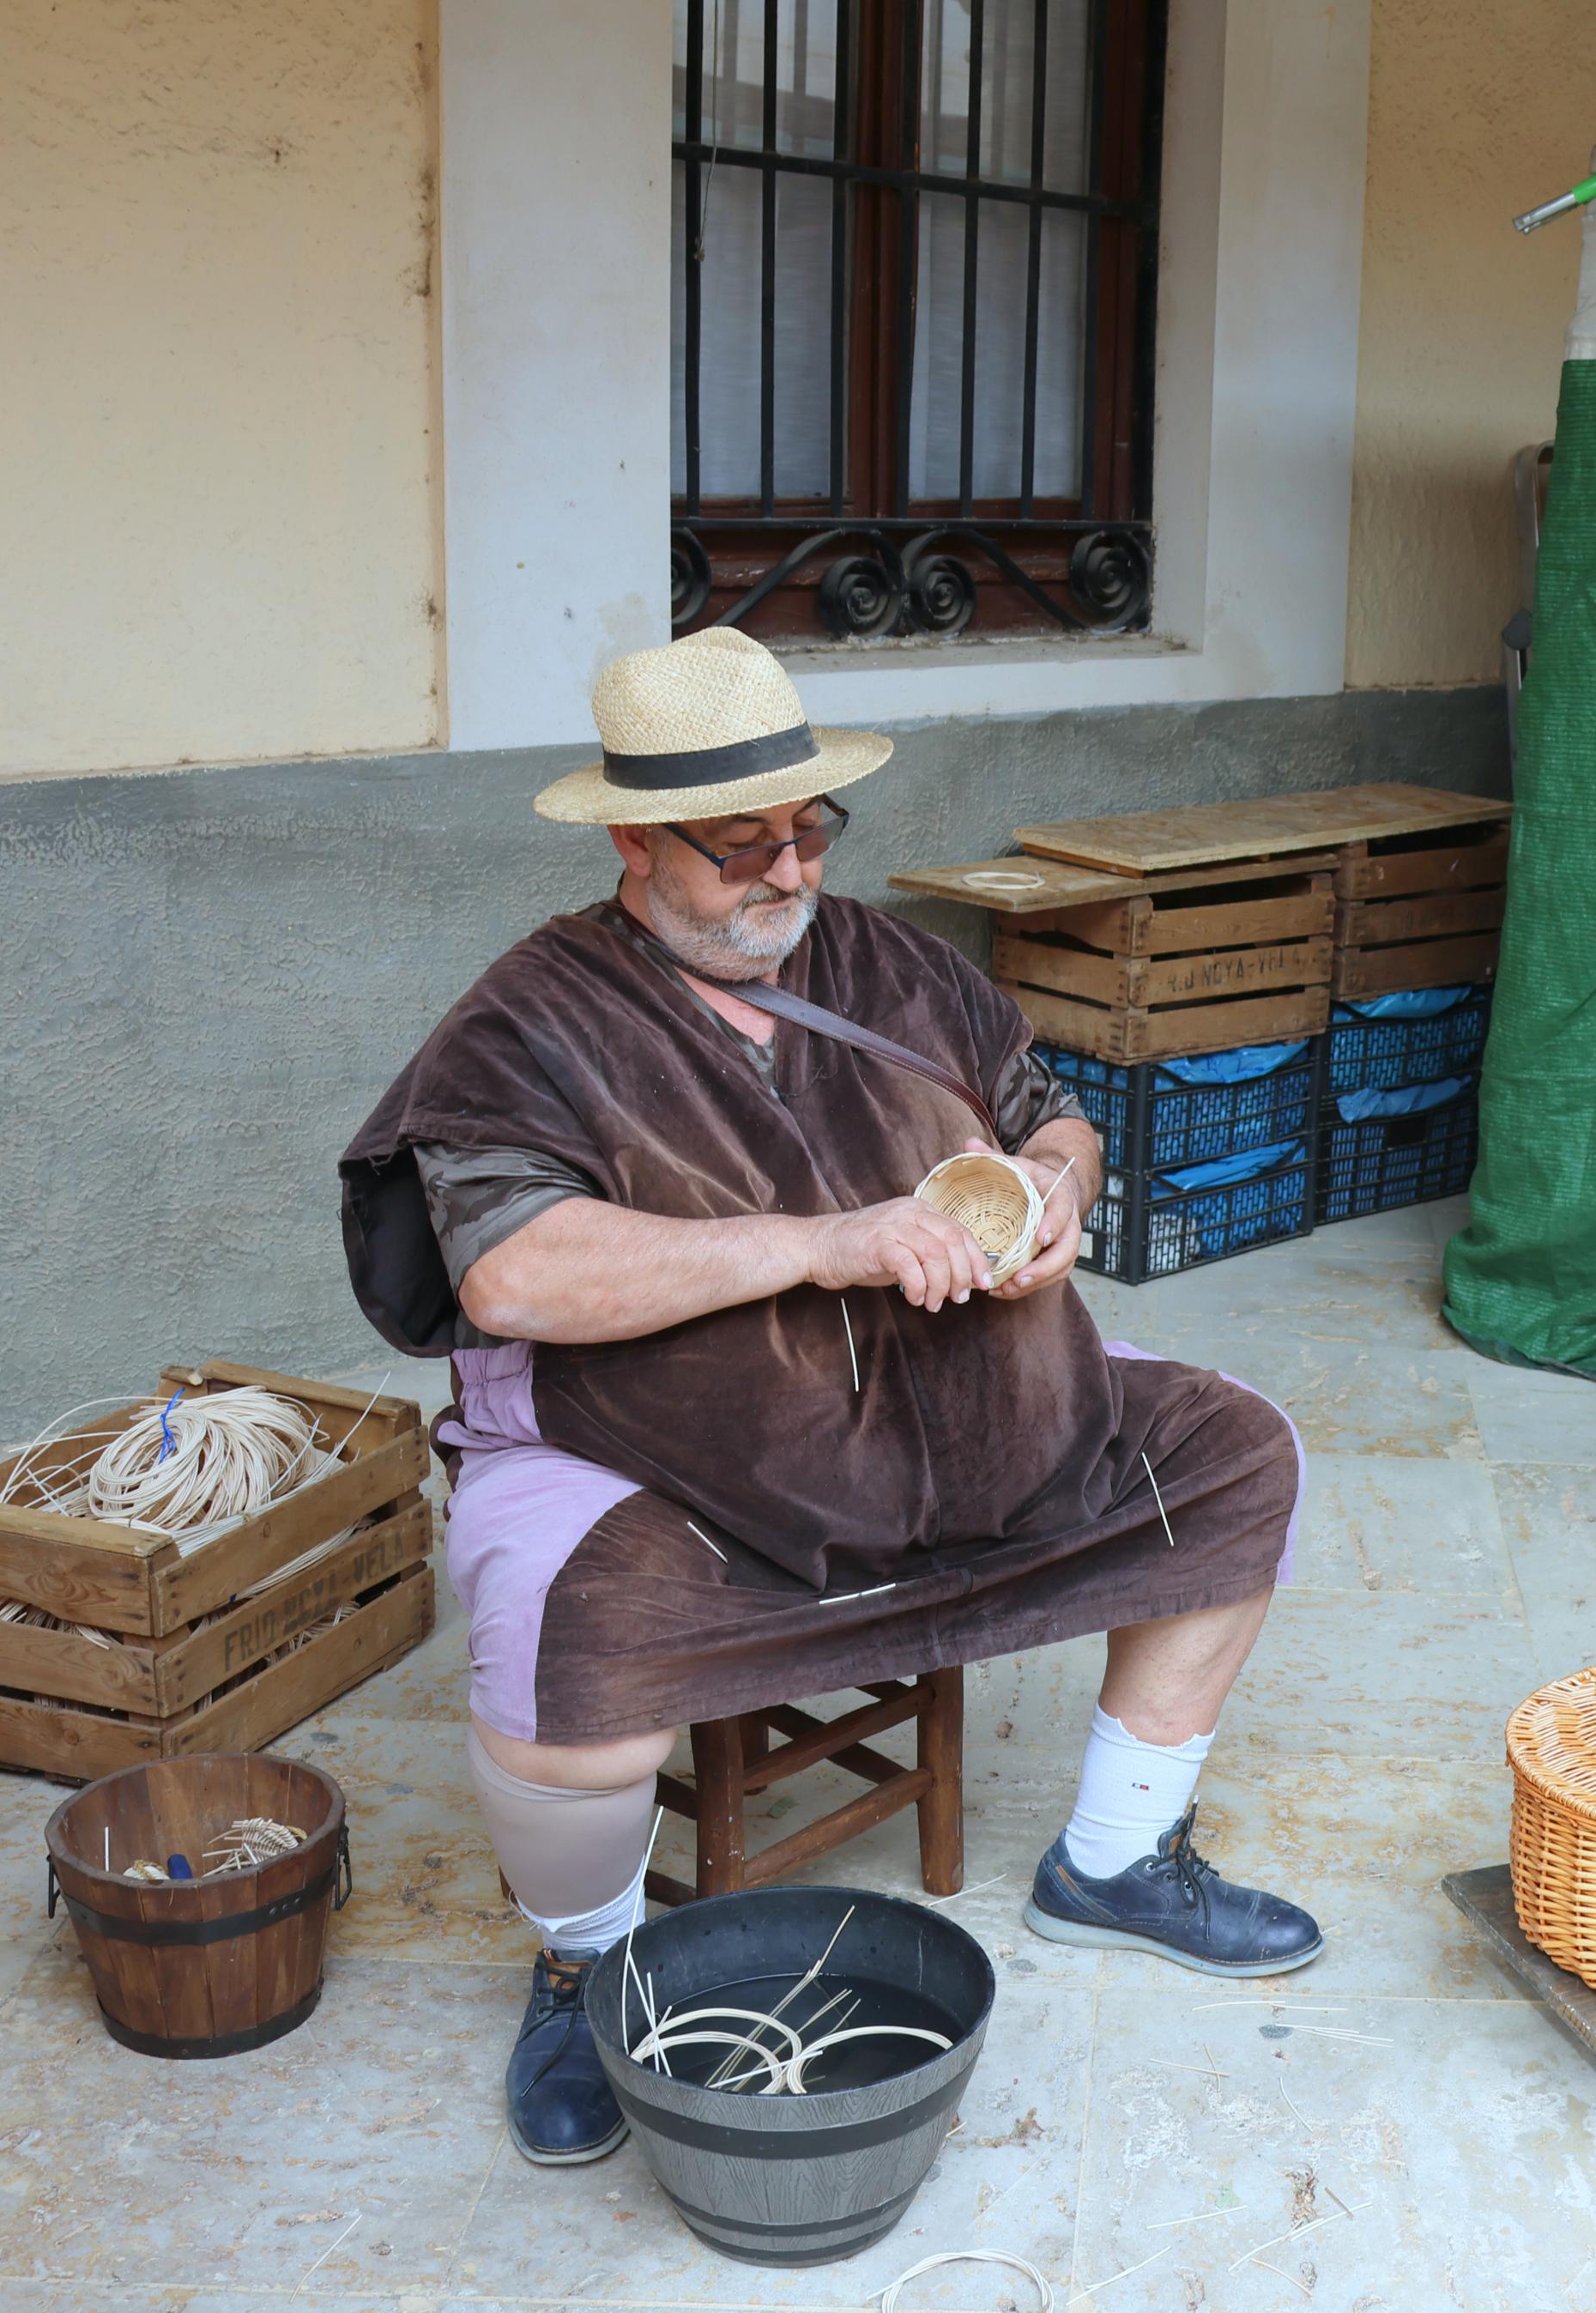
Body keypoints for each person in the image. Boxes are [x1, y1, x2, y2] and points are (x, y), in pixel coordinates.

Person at [339, 627, 1318, 2168]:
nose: (787, 876)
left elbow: (1052, 1117)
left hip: (983, 1445)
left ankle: (1119, 1859)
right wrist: (823, 1246)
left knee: (1239, 1460)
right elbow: (513, 1277)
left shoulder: (898, 967)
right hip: (694, 1491)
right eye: (739, 850)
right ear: (633, 842)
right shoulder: (530, 1023)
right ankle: (589, 1964)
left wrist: (1056, 1194)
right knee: (557, 1638)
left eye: (808, 833)